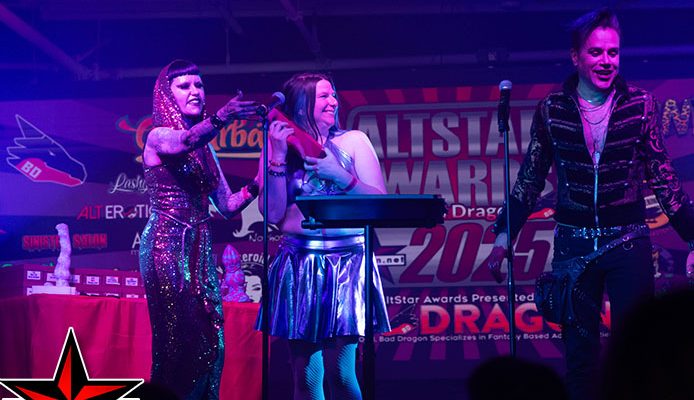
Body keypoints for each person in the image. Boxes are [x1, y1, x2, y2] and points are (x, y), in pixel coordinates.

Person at [479, 9, 694, 400]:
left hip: (627, 242)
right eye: (596, 52)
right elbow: (530, 178)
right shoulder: (552, 109)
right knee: (580, 358)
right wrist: (503, 237)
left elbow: (663, 176)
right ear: (576, 56)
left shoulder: (640, 105)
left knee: (637, 351)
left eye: (613, 52)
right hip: (574, 246)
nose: (606, 61)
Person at [257, 72, 391, 400]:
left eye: (333, 95)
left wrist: (340, 176)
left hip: (346, 262)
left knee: (341, 373)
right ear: (301, 105)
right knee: (305, 377)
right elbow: (271, 213)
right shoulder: (278, 146)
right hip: (299, 261)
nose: (334, 102)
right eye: (324, 96)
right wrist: (277, 155)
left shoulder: (354, 141)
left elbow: (380, 202)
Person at [139, 59, 259, 400]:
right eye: (184, 86)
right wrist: (222, 116)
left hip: (199, 247)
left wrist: (261, 179)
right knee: (181, 339)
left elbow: (228, 205)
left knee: (211, 338)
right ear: (166, 96)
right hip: (166, 247)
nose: (194, 91)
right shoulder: (158, 136)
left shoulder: (206, 151)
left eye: (198, 85)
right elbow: (186, 139)